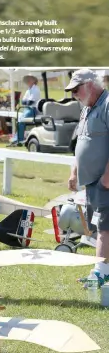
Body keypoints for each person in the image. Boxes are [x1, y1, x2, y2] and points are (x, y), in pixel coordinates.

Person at [66, 69, 109, 287]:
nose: (74, 95)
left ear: (90, 85)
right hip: (92, 181)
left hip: (105, 181)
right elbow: (81, 142)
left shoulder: (108, 104)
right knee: (98, 227)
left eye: (76, 89)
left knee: (105, 227)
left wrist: (107, 177)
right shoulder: (86, 109)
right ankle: (103, 269)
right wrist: (74, 172)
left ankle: (99, 273)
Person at [12, 75, 41, 146]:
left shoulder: (36, 89)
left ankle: (19, 140)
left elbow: (30, 102)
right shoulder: (28, 90)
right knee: (19, 120)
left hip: (33, 110)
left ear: (34, 80)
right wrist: (26, 101)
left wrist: (26, 101)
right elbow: (23, 101)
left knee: (21, 121)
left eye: (30, 79)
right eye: (27, 79)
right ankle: (17, 139)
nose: (28, 81)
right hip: (27, 109)